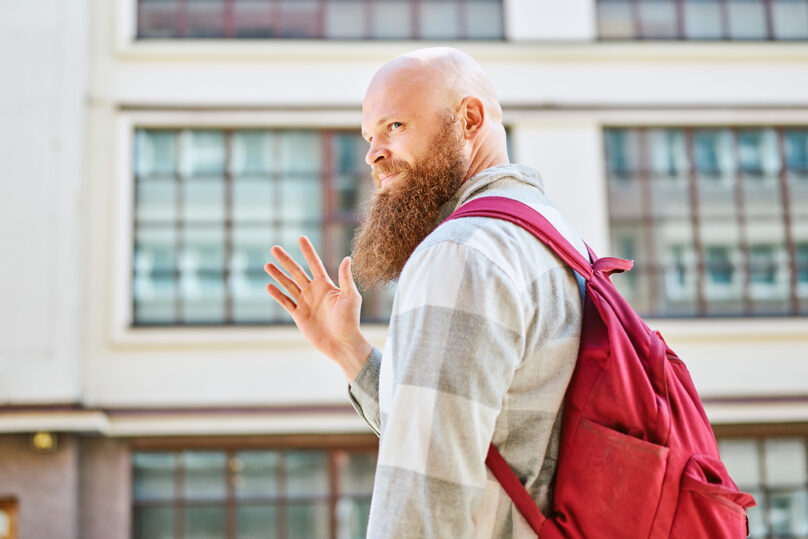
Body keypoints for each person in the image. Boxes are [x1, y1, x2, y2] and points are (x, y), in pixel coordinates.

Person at [265, 47, 589, 537]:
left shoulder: (462, 252)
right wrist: (347, 349)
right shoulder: (553, 237)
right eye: (369, 136)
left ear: (469, 119)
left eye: (395, 126)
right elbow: (474, 442)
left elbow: (421, 498)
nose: (374, 152)